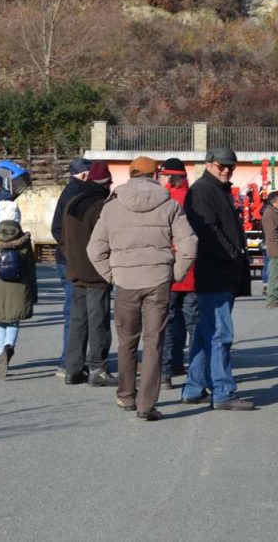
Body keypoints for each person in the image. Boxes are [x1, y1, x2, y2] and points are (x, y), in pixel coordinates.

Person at [88, 156, 197, 421]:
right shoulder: (169, 204)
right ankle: (146, 405)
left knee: (127, 342)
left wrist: (112, 275)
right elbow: (190, 244)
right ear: (156, 174)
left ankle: (126, 396)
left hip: (125, 281)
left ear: (131, 174)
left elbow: (94, 249)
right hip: (158, 280)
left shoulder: (112, 206)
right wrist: (175, 274)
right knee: (154, 343)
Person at [182, 146, 255, 410]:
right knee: (220, 335)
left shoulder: (215, 189)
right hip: (215, 272)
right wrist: (233, 254)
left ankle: (193, 388)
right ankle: (223, 392)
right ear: (209, 164)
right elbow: (207, 230)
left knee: (205, 333)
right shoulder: (203, 190)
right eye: (222, 165)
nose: (227, 170)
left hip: (218, 271)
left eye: (231, 166)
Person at [60, 161, 116, 387]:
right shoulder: (101, 206)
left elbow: (62, 237)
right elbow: (107, 240)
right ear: (105, 183)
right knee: (98, 321)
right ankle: (98, 369)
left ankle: (72, 370)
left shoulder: (72, 202)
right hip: (96, 272)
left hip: (75, 268)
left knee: (78, 320)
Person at [0, 200, 38, 379]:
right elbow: (31, 270)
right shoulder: (25, 241)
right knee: (13, 322)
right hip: (19, 287)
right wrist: (33, 294)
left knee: (0, 324)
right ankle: (8, 348)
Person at [159, 157, 199, 388]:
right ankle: (195, 372)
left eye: (163, 175)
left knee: (166, 322)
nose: (161, 179)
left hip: (170, 270)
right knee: (194, 324)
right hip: (193, 270)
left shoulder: (164, 200)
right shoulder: (194, 198)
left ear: (171, 177)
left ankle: (165, 373)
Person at [50, 157, 92, 376]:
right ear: (84, 174)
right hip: (72, 260)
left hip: (66, 258)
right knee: (75, 312)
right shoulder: (77, 194)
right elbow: (61, 230)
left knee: (74, 311)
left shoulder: (69, 191)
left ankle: (71, 360)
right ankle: (68, 361)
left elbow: (56, 229)